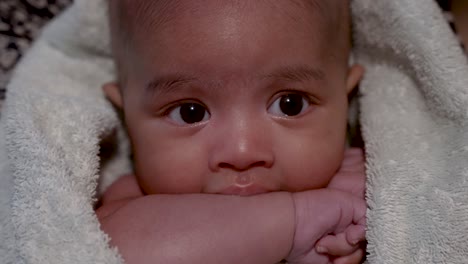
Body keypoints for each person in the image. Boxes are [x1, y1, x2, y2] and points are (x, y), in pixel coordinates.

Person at [96, 0, 366, 263]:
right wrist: (296, 222)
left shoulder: (359, 174)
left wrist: (364, 201)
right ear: (126, 113)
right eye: (190, 112)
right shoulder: (135, 203)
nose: (242, 151)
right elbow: (105, 250)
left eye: (290, 105)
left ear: (346, 98)